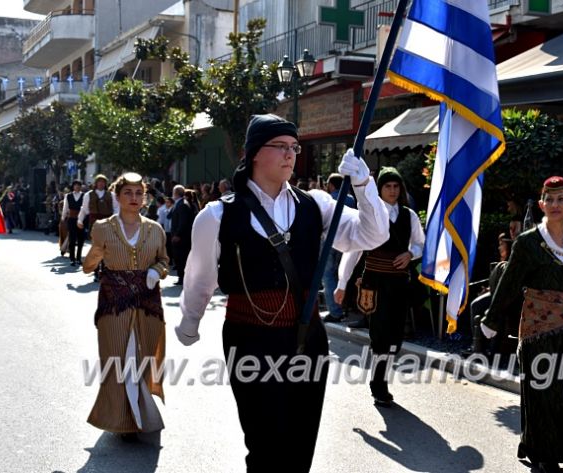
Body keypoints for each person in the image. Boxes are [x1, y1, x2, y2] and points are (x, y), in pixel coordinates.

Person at [175, 114, 389, 473]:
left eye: (294, 147)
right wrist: (189, 322)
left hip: (307, 336)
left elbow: (372, 235)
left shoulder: (316, 205)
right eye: (281, 147)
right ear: (254, 153)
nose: (291, 155)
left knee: (300, 442)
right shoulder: (217, 214)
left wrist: (364, 183)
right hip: (250, 339)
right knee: (264, 443)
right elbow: (199, 278)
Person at [481, 176, 563, 473]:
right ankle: (543, 455)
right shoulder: (529, 242)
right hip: (537, 331)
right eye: (550, 199)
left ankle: (549, 448)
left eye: (561, 199)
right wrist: (491, 318)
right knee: (541, 390)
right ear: (542, 204)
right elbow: (509, 283)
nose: (556, 205)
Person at [82, 172, 169, 438]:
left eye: (138, 193)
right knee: (116, 358)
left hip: (147, 303)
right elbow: (88, 267)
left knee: (142, 358)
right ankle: (120, 418)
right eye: (128, 193)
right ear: (117, 197)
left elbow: (164, 261)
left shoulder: (155, 229)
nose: (134, 198)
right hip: (113, 304)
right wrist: (99, 251)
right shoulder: (103, 227)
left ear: (144, 197)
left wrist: (157, 270)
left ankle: (140, 412)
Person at [335, 166, 425, 407]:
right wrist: (342, 283)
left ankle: (381, 373)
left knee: (396, 336)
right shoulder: (370, 215)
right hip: (375, 283)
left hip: (399, 283)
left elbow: (420, 244)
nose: (392, 191)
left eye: (396, 186)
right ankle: (379, 385)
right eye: (388, 186)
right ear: (380, 189)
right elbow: (353, 250)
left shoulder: (409, 216)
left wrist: (411, 254)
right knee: (380, 335)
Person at [322, 173, 356, 322]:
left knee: (328, 275)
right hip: (347, 240)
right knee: (342, 273)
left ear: (331, 185)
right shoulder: (351, 199)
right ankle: (344, 307)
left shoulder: (327, 199)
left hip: (329, 240)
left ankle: (335, 311)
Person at [79, 174, 118, 280]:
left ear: (105, 184)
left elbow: (116, 210)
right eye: (99, 182)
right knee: (96, 247)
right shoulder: (88, 195)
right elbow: (84, 209)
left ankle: (105, 270)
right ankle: (96, 271)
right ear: (95, 183)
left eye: (103, 182)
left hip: (108, 223)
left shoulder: (111, 195)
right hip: (94, 223)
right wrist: (80, 220)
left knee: (107, 248)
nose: (101, 184)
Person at [169, 185, 193, 285]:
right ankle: (181, 277)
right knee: (178, 258)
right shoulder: (178, 203)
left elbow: (183, 222)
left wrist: (178, 234)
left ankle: (183, 278)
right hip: (178, 237)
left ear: (176, 193)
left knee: (182, 258)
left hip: (181, 238)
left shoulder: (183, 204)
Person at [61, 180, 85, 266]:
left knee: (81, 239)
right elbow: (65, 207)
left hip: (81, 219)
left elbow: (86, 208)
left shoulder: (84, 196)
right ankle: (72, 258)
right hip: (71, 219)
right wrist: (63, 218)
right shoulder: (68, 196)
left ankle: (78, 258)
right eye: (75, 185)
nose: (77, 187)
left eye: (79, 185)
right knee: (72, 239)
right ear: (73, 186)